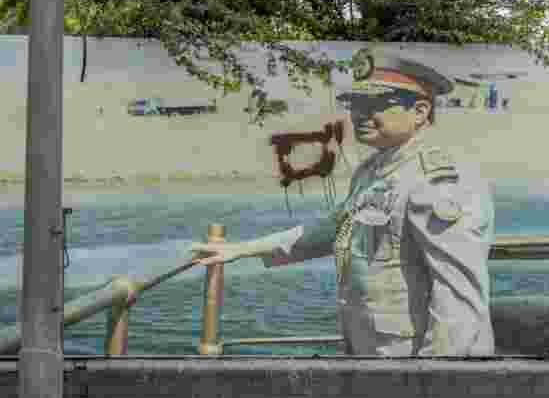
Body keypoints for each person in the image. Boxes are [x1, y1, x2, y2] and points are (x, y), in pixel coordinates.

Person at [192, 48, 496, 356]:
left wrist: (434, 378)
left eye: (376, 104)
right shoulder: (374, 170)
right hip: (375, 352)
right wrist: (241, 250)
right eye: (355, 104)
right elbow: (331, 230)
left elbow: (459, 293)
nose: (360, 114)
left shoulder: (437, 180)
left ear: (419, 111)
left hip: (418, 364)